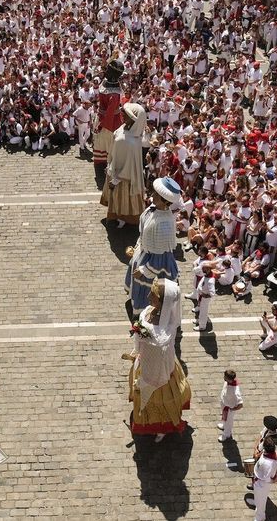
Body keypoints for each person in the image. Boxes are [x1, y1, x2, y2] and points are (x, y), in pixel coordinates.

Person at [124, 278, 190, 443]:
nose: (148, 298)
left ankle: (162, 428)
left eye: (152, 295)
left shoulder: (166, 330)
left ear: (163, 302)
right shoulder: (148, 310)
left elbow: (159, 345)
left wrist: (142, 335)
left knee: (160, 402)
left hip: (158, 373)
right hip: (145, 364)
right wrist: (137, 350)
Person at [125, 177, 181, 322]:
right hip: (144, 254)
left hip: (152, 264)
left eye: (156, 194)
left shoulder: (164, 224)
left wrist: (144, 270)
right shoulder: (152, 209)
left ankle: (145, 316)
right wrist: (138, 246)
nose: (152, 195)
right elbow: (144, 232)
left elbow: (161, 257)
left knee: (147, 290)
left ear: (164, 200)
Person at [102, 102, 147, 228]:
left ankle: (122, 218)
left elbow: (127, 165)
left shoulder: (129, 141)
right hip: (116, 168)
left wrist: (116, 180)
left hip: (122, 177)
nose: (123, 116)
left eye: (126, 115)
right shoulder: (130, 131)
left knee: (122, 199)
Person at [92, 59, 123, 176]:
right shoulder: (110, 84)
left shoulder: (113, 95)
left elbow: (110, 113)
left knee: (105, 144)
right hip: (104, 119)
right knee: (105, 145)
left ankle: (105, 170)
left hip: (108, 124)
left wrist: (101, 125)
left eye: (108, 69)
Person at [251, 437, 277, 521]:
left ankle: (260, 518)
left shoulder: (268, 463)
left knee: (262, 501)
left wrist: (274, 480)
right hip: (259, 478)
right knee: (259, 497)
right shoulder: (271, 453)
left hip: (262, 484)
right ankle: (257, 503)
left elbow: (267, 479)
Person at [219, 369, 242, 443]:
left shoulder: (235, 392)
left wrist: (233, 409)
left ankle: (227, 434)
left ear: (229, 379)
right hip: (224, 403)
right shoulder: (227, 382)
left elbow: (240, 404)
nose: (224, 378)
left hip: (229, 407)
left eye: (225, 377)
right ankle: (224, 425)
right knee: (224, 416)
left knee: (229, 421)